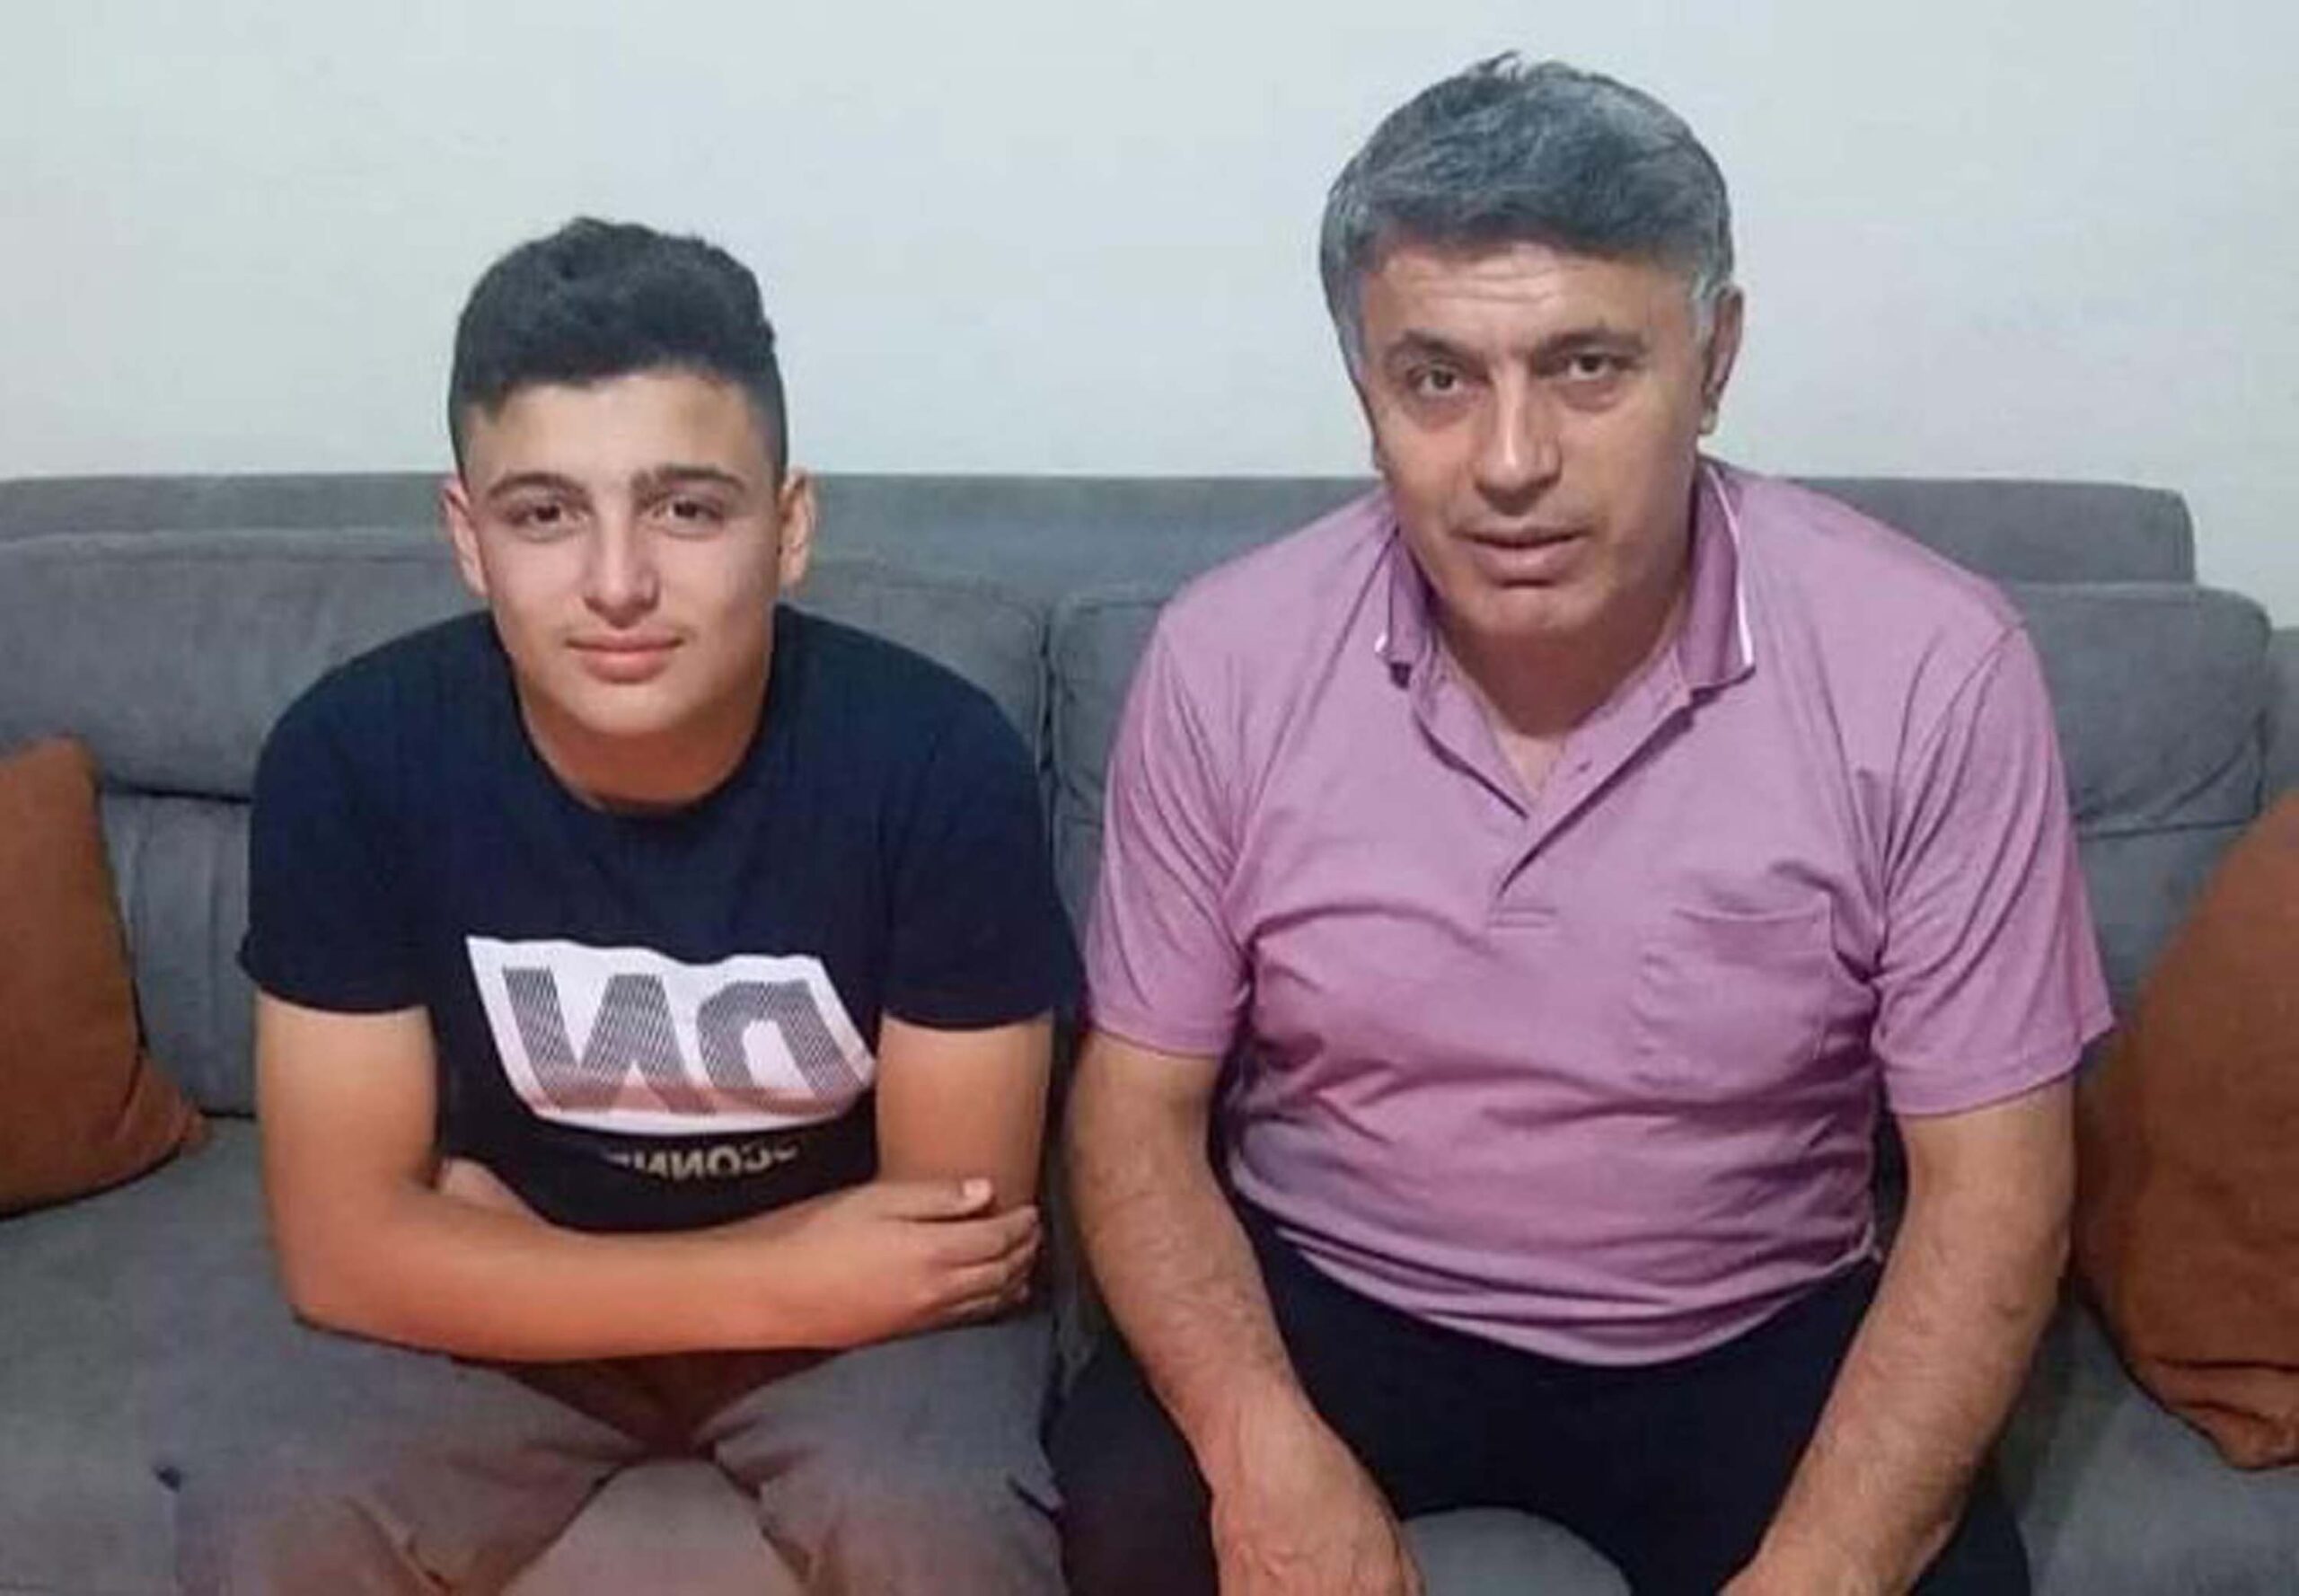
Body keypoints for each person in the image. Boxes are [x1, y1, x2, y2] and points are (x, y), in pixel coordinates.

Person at [1053, 56, 2110, 1596]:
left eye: (1589, 367)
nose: (1511, 463)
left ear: (1716, 357)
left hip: (1746, 1323)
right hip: (1331, 1293)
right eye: (1437, 380)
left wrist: (1825, 1564)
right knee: (1126, 1526)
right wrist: (1254, 1433)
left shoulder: (1931, 668)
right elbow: (1135, 1113)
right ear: (1365, 393)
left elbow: (1996, 1191)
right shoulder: (1229, 658)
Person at [177, 218, 1073, 1594]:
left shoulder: (937, 758)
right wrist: (783, 1271)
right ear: (467, 536)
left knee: (938, 1525)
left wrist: (483, 1248)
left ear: (790, 526)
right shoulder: (352, 755)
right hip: (594, 1322)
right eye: (544, 513)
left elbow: (950, 1244)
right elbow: (341, 1251)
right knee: (276, 1506)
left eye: (686, 508)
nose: (616, 584)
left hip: (826, 1342)